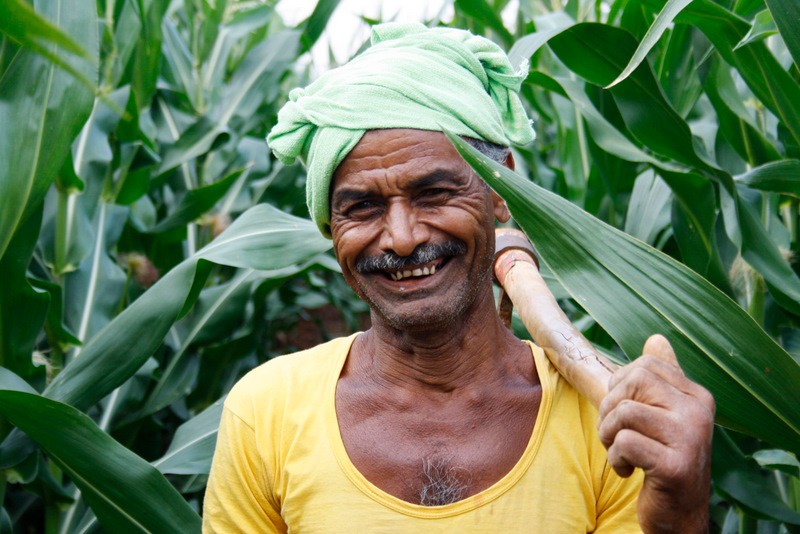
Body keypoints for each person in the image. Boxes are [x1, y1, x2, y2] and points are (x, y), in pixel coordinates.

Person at [202, 23, 715, 533]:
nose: (401, 238)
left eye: (434, 193)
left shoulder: (604, 417)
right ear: (329, 228)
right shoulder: (266, 413)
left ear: (500, 190)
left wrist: (681, 515)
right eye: (362, 206)